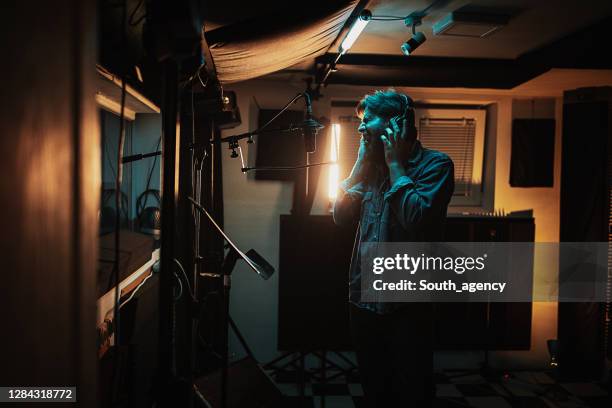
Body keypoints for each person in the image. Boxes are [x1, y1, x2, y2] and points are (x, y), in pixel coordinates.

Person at [333, 89, 454, 407]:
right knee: (375, 391)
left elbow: (417, 219)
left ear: (396, 124)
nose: (360, 128)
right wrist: (359, 163)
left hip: (408, 306)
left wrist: (397, 166)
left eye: (367, 120)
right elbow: (340, 216)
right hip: (363, 301)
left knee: (412, 390)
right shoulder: (370, 169)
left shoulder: (436, 165)